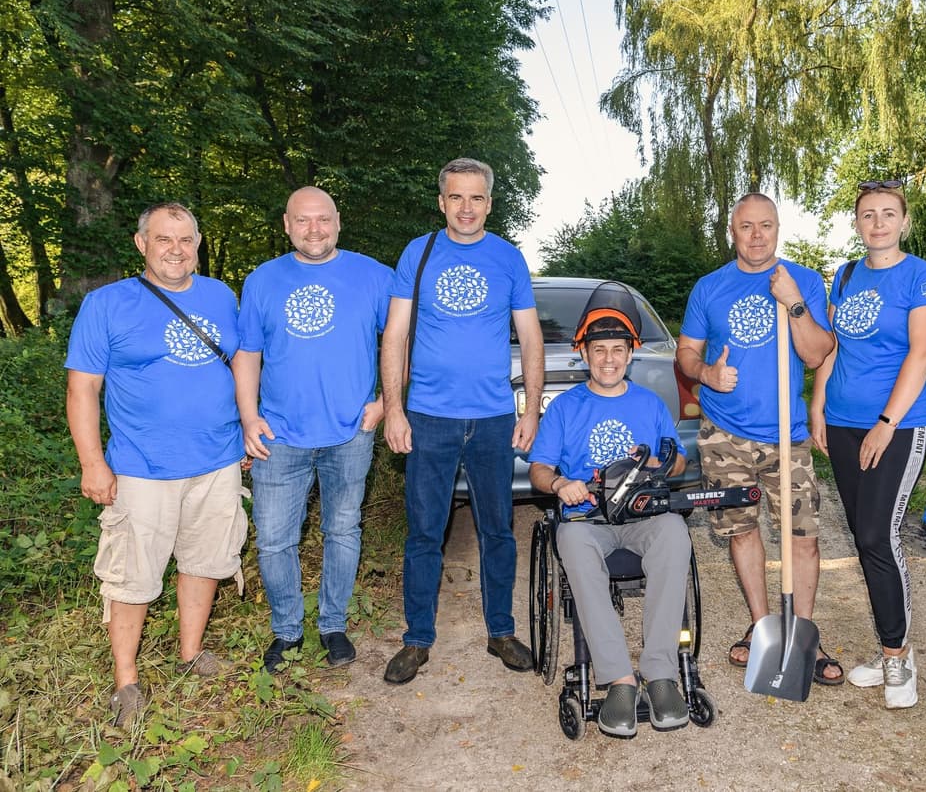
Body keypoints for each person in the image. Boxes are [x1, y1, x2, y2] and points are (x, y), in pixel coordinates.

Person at [66, 203, 247, 727]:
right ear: (141, 242)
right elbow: (83, 388)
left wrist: (246, 431)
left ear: (197, 243)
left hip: (217, 461)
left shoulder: (221, 296)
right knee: (132, 575)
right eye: (164, 239)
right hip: (142, 467)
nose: (176, 249)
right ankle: (127, 681)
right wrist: (92, 462)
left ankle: (190, 654)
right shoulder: (107, 304)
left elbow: (240, 366)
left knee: (207, 560)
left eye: (186, 239)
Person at [380, 157, 544, 684]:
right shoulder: (419, 253)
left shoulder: (508, 258)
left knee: (498, 530)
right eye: (456, 197)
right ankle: (417, 639)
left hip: (494, 419)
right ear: (442, 202)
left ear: (489, 203)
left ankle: (501, 631)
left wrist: (532, 408)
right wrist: (394, 409)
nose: (466, 207)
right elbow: (395, 336)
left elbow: (532, 337)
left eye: (476, 198)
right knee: (425, 531)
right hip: (429, 417)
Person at [676, 192, 842, 685]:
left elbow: (817, 354)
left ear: (777, 228)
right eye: (746, 226)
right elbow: (685, 352)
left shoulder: (804, 281)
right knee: (741, 532)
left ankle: (802, 635)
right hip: (724, 435)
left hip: (786, 438)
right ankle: (761, 627)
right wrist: (705, 373)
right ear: (732, 230)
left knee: (803, 538)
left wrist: (792, 301)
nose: (756, 236)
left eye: (765, 225)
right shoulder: (710, 288)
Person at [234, 186, 393, 673]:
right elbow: (248, 354)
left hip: (350, 431)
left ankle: (333, 625)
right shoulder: (262, 280)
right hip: (279, 435)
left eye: (322, 219)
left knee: (341, 529)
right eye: (303, 221)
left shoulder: (374, 276)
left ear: (338, 221)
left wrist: (387, 402)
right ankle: (286, 632)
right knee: (273, 540)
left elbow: (405, 340)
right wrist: (247, 416)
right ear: (286, 224)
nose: (314, 230)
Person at [809, 180, 926, 708]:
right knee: (866, 539)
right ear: (858, 223)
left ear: (903, 222)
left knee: (876, 534)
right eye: (869, 214)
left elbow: (922, 351)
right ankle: (890, 645)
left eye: (889, 214)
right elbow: (834, 347)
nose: (879, 223)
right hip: (842, 422)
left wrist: (887, 422)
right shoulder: (845, 274)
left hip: (897, 426)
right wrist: (818, 405)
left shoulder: (920, 276)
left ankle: (897, 657)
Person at [528, 313, 691, 737]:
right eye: (599, 350)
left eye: (618, 349)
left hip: (642, 515)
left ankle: (660, 675)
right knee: (573, 543)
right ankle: (619, 680)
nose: (608, 359)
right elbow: (539, 470)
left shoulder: (649, 403)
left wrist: (665, 463)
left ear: (630, 354)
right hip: (588, 517)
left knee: (675, 532)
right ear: (584, 354)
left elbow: (679, 461)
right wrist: (561, 482)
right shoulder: (565, 407)